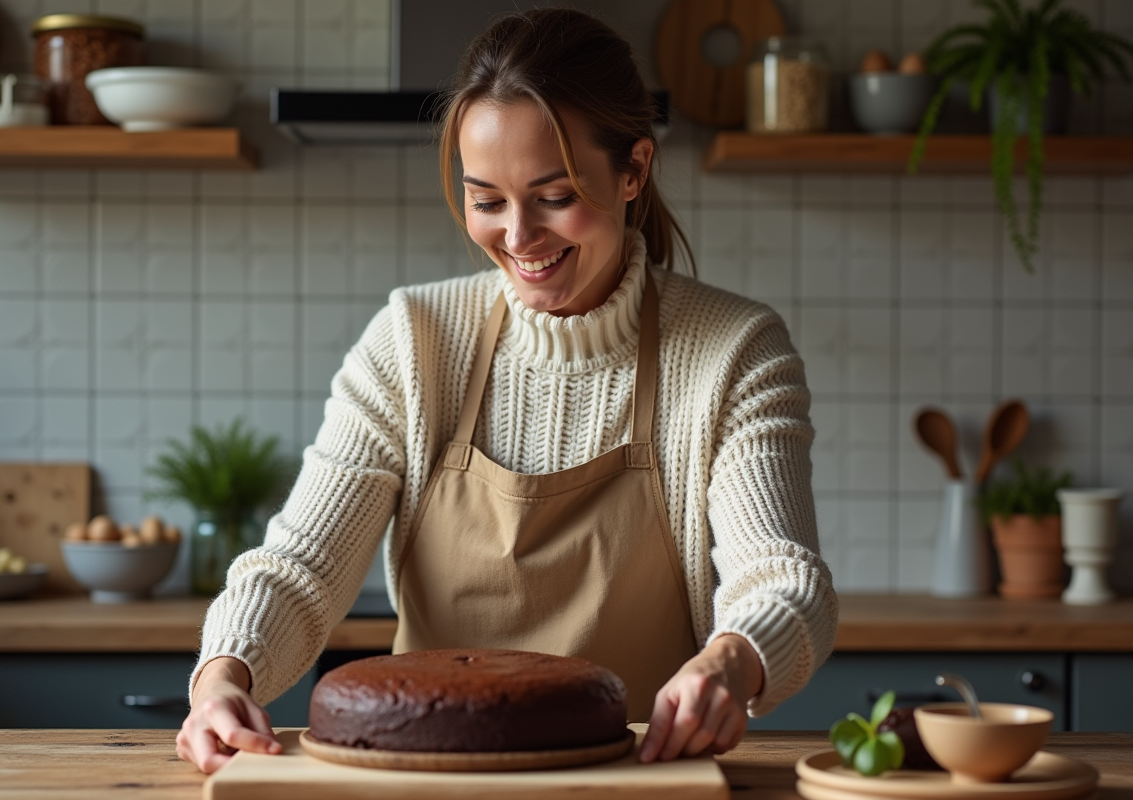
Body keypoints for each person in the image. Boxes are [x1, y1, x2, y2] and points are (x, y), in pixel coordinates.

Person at [177, 7, 838, 774]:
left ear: (633, 171)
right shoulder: (415, 340)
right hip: (427, 780)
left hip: (638, 781)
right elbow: (300, 567)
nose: (518, 237)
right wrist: (224, 674)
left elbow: (782, 578)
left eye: (554, 196)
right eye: (486, 200)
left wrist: (731, 661)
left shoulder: (733, 351)